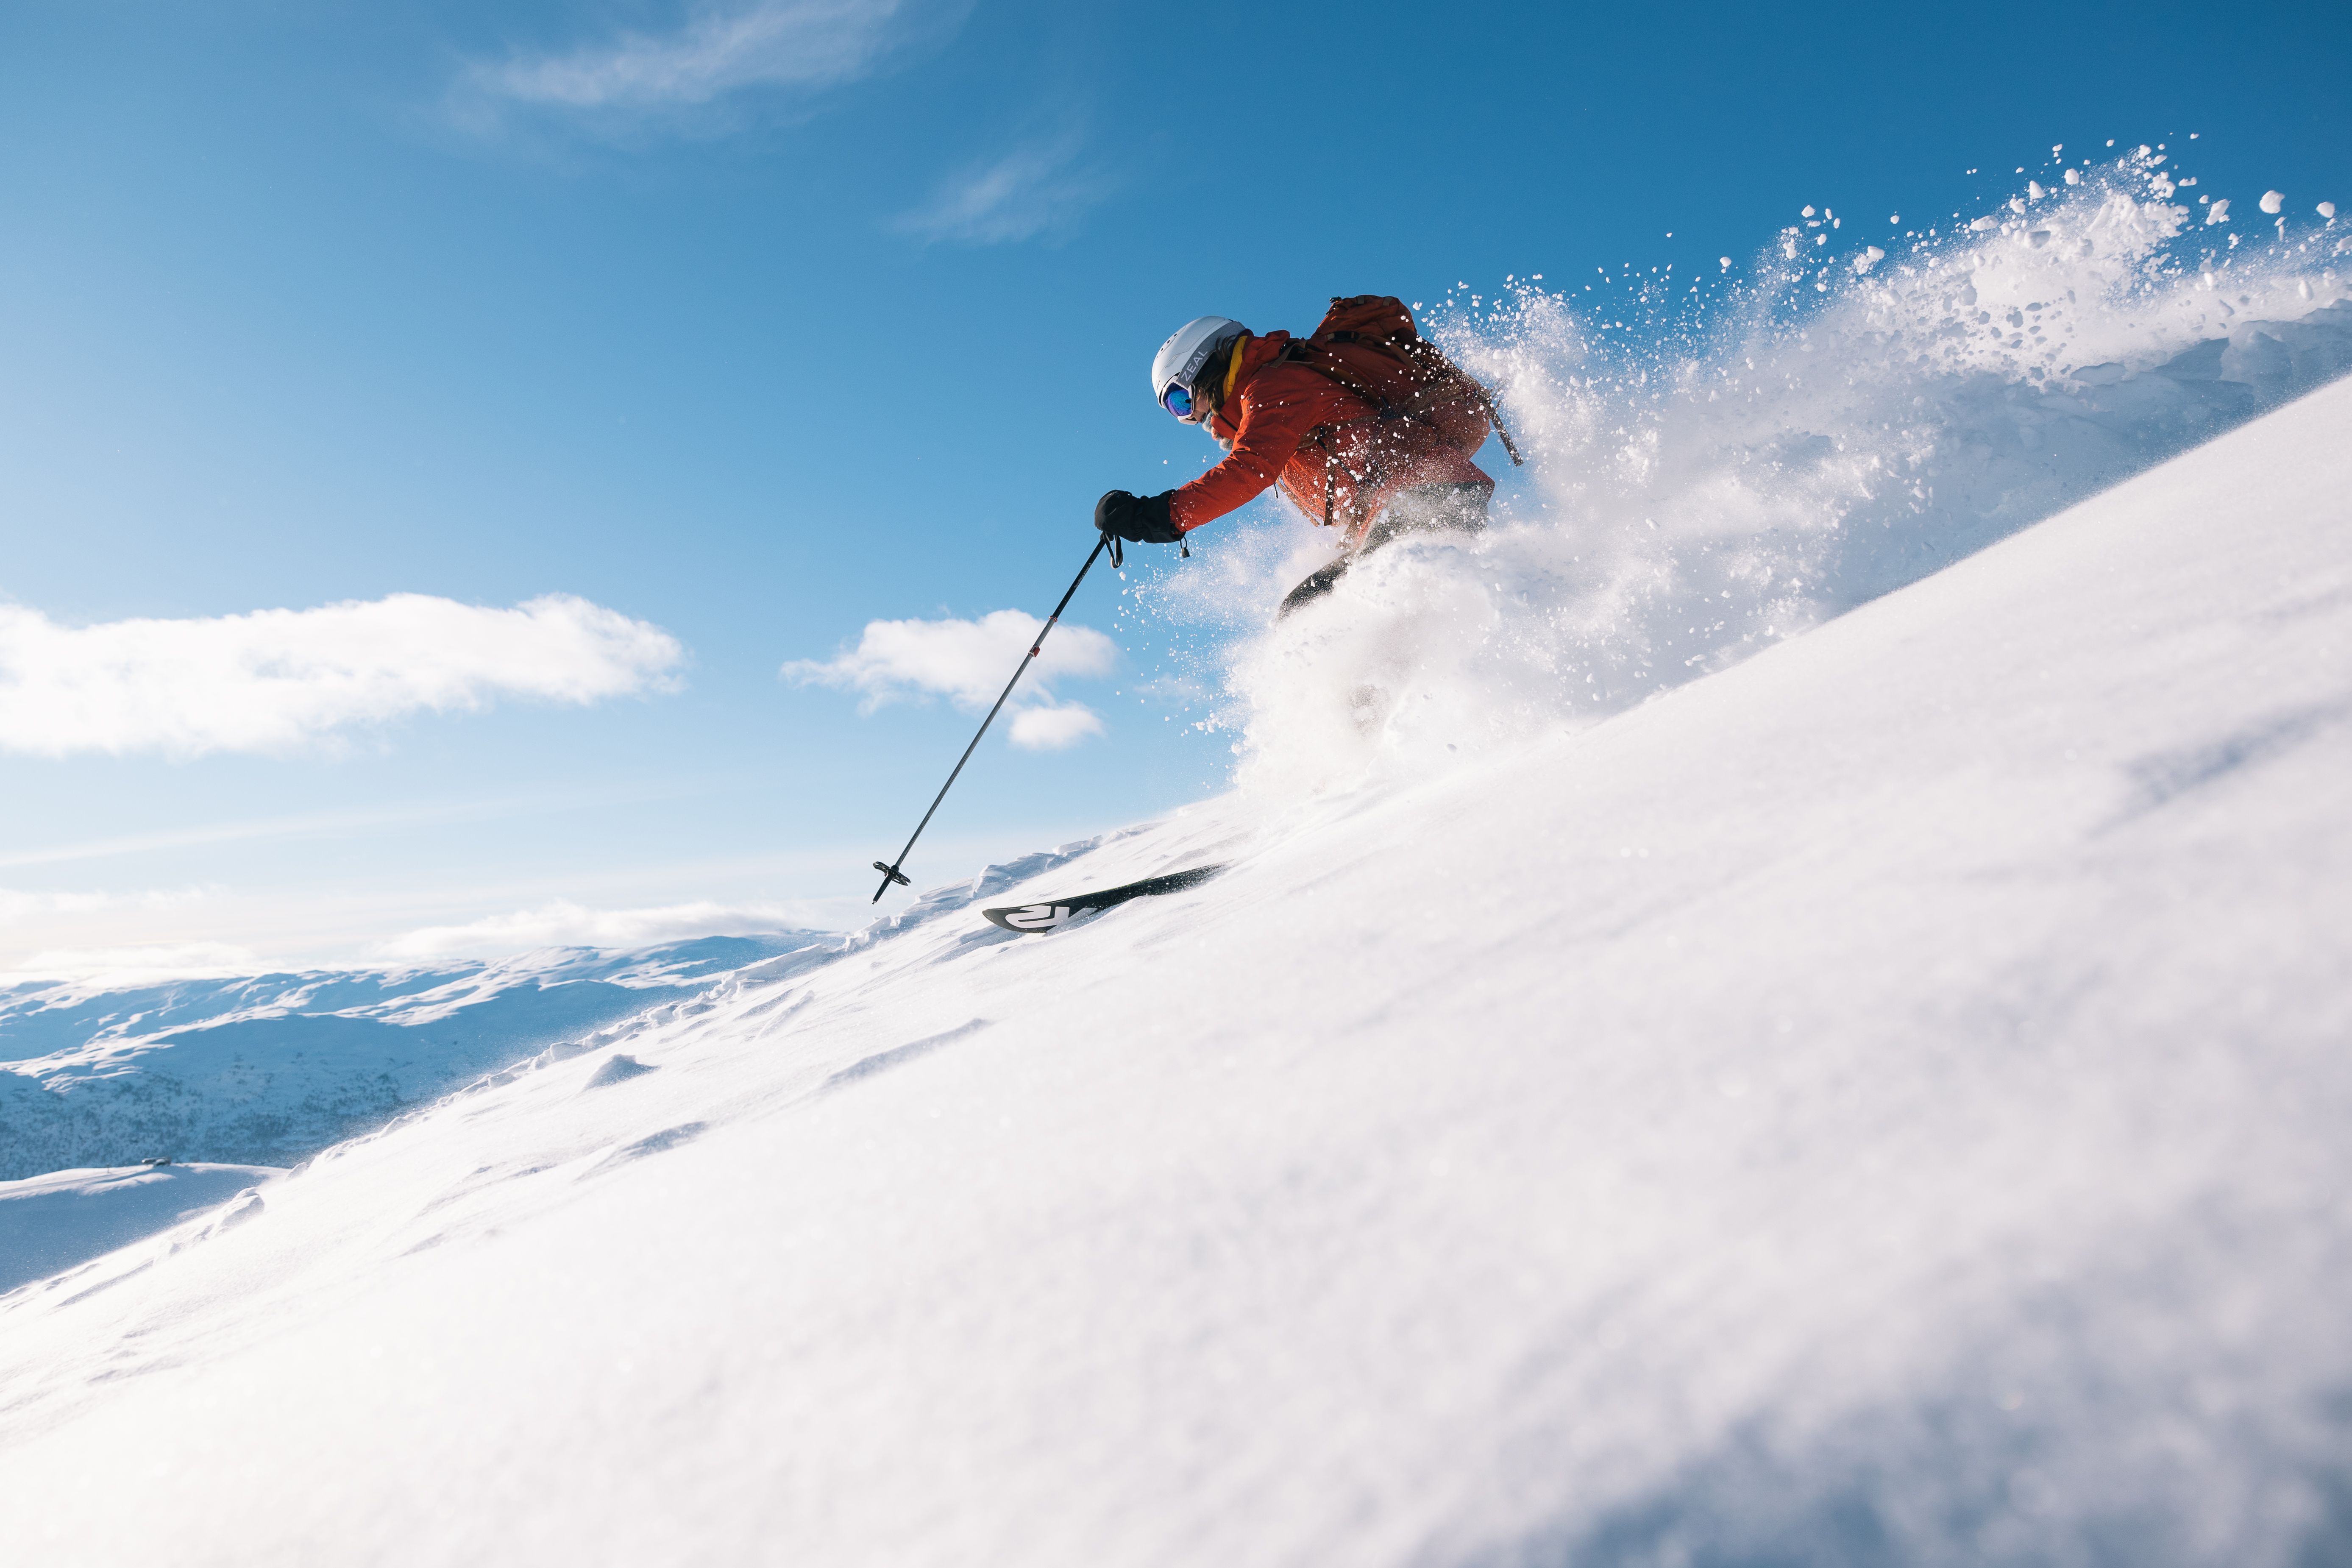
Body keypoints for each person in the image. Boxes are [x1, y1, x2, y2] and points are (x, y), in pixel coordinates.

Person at [1094, 298, 1514, 616]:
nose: (1192, 419)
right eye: (1176, 411)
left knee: (1322, 618)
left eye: (1182, 401)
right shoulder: (1271, 400)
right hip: (1418, 500)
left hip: (1425, 498)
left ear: (1206, 368)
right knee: (1310, 614)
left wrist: (1156, 517)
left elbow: (1248, 469)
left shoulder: (1275, 386)